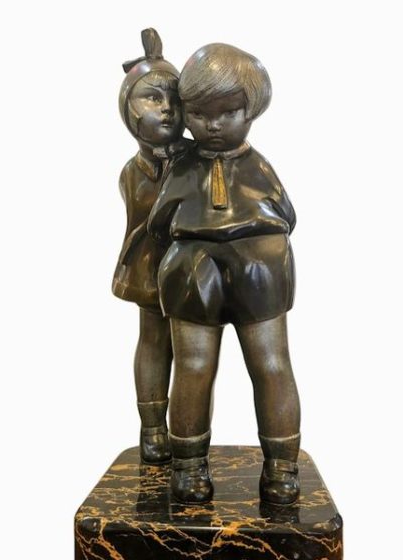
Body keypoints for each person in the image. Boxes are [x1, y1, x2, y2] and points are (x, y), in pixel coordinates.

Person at [148, 43, 301, 504]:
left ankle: (282, 467)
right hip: (195, 268)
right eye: (198, 114)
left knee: (270, 364)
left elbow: (161, 223)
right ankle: (189, 465)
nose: (213, 125)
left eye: (228, 113)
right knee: (194, 366)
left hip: (259, 266)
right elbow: (286, 214)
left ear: (251, 109)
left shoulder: (254, 166)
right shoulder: (183, 166)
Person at [112, 28, 189, 464]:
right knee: (154, 340)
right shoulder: (132, 171)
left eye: (175, 99)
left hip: (193, 270)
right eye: (152, 98)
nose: (166, 109)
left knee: (195, 352)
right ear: (128, 108)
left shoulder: (199, 160)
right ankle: (153, 427)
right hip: (150, 267)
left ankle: (189, 438)